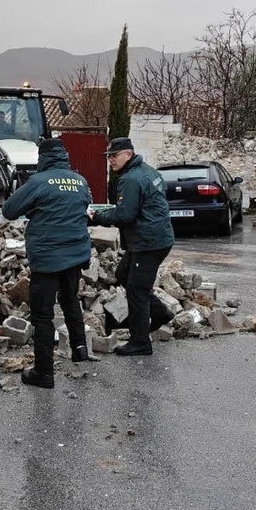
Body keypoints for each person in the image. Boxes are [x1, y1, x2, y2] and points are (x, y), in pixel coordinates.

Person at [1, 137, 93, 388]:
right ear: (64, 157)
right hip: (75, 254)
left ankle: (44, 372)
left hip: (47, 258)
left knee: (42, 315)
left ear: (42, 158)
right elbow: (84, 208)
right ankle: (80, 349)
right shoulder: (80, 181)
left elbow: (9, 210)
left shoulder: (38, 182)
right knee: (70, 300)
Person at [89, 138, 174, 356]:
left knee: (137, 289)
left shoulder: (130, 179)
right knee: (123, 274)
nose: (110, 161)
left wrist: (96, 217)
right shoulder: (149, 172)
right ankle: (161, 313)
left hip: (148, 242)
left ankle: (140, 342)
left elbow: (125, 214)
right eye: (108, 156)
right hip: (155, 238)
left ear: (128, 154)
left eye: (114, 156)